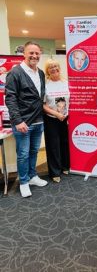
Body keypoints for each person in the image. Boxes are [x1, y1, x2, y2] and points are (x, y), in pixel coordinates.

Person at [5, 41, 48, 198]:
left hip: (38, 121)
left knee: (34, 151)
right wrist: (18, 121)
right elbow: (10, 99)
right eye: (31, 53)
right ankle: (23, 182)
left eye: (37, 53)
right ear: (24, 53)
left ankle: (32, 176)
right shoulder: (15, 73)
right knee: (23, 154)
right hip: (23, 122)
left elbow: (39, 97)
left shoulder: (41, 73)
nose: (34, 56)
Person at [43, 59, 70, 183]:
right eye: (50, 67)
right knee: (53, 145)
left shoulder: (66, 82)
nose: (54, 69)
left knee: (65, 143)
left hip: (66, 118)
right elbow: (42, 105)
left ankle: (65, 166)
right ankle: (55, 171)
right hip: (51, 118)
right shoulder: (45, 85)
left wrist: (65, 115)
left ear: (59, 68)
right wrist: (56, 114)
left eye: (55, 66)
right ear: (47, 70)